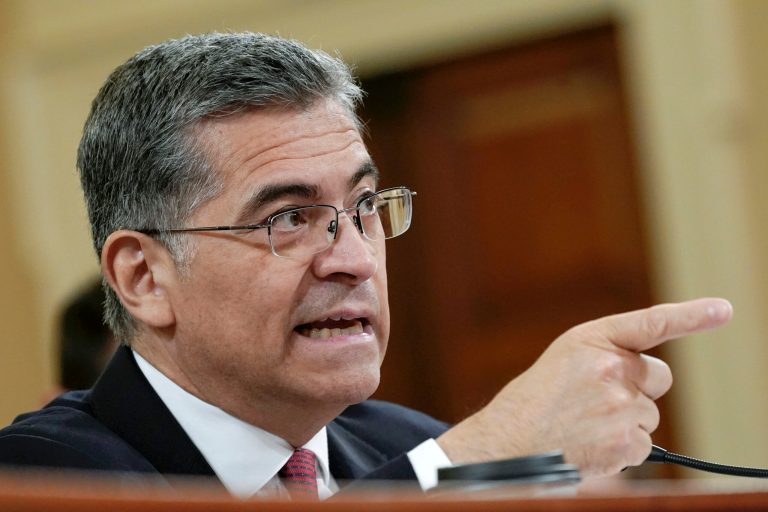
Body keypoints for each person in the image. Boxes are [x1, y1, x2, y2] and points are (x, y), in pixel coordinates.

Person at [0, 32, 732, 499]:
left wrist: (568, 467)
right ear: (143, 278)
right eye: (289, 218)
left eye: (364, 207)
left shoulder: (402, 443)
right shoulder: (40, 474)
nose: (352, 258)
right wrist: (474, 461)